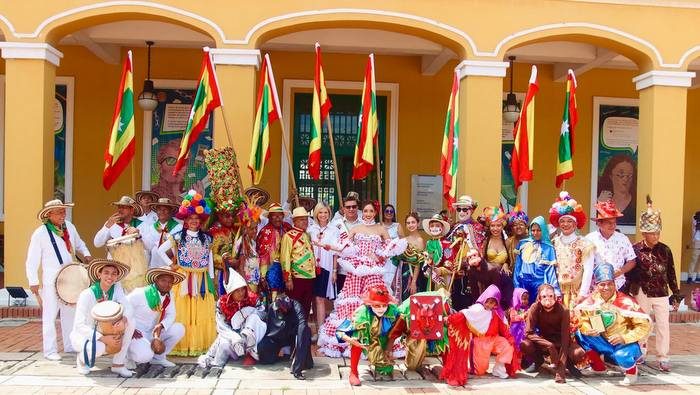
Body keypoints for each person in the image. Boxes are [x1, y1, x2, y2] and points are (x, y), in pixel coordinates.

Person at [318, 200, 406, 357]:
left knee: (377, 303)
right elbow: (343, 247)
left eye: (371, 211)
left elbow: (389, 251)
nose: (368, 214)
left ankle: (376, 340)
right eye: (365, 211)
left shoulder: (381, 229)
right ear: (362, 212)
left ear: (375, 213)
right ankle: (350, 342)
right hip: (357, 272)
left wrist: (377, 255)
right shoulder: (355, 228)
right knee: (352, 306)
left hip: (373, 271)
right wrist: (328, 246)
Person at [26, 199, 93, 360]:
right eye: (59, 212)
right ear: (49, 215)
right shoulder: (40, 233)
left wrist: (87, 254)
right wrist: (33, 280)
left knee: (69, 313)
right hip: (51, 279)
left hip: (70, 277)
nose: (63, 215)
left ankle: (69, 345)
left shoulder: (69, 227)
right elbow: (32, 259)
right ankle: (50, 350)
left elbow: (79, 244)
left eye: (64, 211)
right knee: (50, 315)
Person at [625, 197, 681, 372]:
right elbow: (629, 272)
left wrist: (676, 294)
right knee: (643, 323)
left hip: (661, 292)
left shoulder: (665, 250)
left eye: (658, 232)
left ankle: (663, 357)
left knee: (663, 325)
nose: (656, 236)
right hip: (642, 292)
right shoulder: (635, 249)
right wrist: (628, 293)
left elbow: (671, 272)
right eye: (652, 233)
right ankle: (640, 352)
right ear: (644, 233)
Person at [157, 190, 216, 356]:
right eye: (191, 219)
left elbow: (209, 259)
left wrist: (211, 279)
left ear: (200, 220)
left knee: (200, 313)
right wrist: (171, 265)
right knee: (182, 312)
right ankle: (180, 345)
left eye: (197, 219)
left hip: (202, 280)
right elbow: (160, 250)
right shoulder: (176, 236)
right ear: (186, 219)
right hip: (183, 279)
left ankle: (199, 345)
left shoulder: (208, 238)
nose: (194, 222)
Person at [574, 264, 651, 385]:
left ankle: (631, 372)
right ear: (597, 285)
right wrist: (588, 330)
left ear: (615, 284)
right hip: (603, 342)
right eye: (602, 284)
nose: (606, 287)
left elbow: (644, 326)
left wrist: (624, 337)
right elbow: (584, 320)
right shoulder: (592, 300)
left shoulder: (627, 301)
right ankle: (598, 367)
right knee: (580, 334)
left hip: (624, 344)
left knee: (622, 355)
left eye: (609, 284)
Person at [70, 259, 136, 377]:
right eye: (106, 272)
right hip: (85, 335)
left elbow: (128, 307)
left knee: (131, 322)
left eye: (114, 273)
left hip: (106, 330)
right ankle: (82, 359)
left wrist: (124, 319)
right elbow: (79, 325)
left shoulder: (116, 289)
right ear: (99, 274)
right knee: (99, 347)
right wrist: (103, 338)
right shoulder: (87, 294)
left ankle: (118, 364)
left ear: (117, 277)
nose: (110, 276)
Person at [441, 284, 514, 386]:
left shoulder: (498, 313)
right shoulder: (477, 309)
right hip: (480, 341)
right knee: (479, 371)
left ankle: (499, 369)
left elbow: (503, 327)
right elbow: (464, 315)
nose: (489, 304)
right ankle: (474, 367)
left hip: (494, 339)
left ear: (496, 303)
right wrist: (449, 319)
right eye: (487, 301)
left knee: (506, 345)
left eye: (492, 302)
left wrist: (509, 338)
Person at [198, 269, 266, 367]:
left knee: (253, 318)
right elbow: (221, 326)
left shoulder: (252, 299)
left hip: (252, 335)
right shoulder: (222, 303)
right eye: (237, 290)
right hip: (232, 337)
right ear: (231, 292)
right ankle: (215, 363)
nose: (241, 293)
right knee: (223, 344)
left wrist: (248, 311)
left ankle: (251, 354)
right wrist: (234, 337)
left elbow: (263, 315)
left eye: (243, 289)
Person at [336, 284, 401, 386]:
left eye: (384, 305)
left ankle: (380, 361)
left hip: (382, 338)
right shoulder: (361, 313)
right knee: (358, 337)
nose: (381, 309)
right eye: (377, 305)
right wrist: (351, 340)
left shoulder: (393, 311)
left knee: (386, 368)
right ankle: (353, 372)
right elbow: (339, 332)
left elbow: (397, 329)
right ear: (370, 304)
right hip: (365, 340)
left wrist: (389, 348)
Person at [521, 284, 586, 383]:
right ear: (539, 297)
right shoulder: (535, 308)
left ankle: (568, 364)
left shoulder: (564, 310)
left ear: (555, 297)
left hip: (561, 342)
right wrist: (549, 345)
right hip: (544, 342)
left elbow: (565, 339)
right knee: (525, 345)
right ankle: (538, 361)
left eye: (551, 296)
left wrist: (560, 371)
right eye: (544, 296)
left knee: (578, 353)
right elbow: (528, 333)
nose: (548, 300)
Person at [126, 266, 186, 367]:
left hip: (153, 332)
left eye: (170, 282)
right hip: (136, 333)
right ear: (156, 280)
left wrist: (161, 326)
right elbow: (123, 308)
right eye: (163, 280)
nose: (167, 284)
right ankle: (127, 357)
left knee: (179, 329)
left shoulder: (169, 296)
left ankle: (158, 358)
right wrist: (130, 329)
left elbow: (171, 314)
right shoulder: (140, 293)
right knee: (145, 357)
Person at [549, 192, 595, 310]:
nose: (566, 224)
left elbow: (588, 271)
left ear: (575, 224)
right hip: (557, 293)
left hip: (577, 293)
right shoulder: (553, 243)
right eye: (562, 221)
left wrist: (582, 294)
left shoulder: (585, 244)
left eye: (569, 221)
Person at [389, 288, 451, 371]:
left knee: (449, 334)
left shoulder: (444, 308)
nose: (427, 323)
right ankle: (416, 356)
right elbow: (394, 333)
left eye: (429, 318)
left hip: (438, 321)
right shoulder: (404, 316)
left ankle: (445, 362)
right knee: (413, 365)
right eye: (424, 318)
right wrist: (388, 350)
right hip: (414, 329)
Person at [257, 293, 314, 380]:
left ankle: (298, 362)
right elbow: (269, 330)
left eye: (283, 309)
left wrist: (298, 368)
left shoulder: (297, 308)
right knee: (263, 350)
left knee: (305, 332)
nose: (280, 310)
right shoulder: (273, 307)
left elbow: (302, 329)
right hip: (277, 334)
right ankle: (278, 356)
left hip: (291, 336)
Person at [586, 200, 636, 290]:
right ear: (599, 223)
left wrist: (621, 271)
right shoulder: (590, 239)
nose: (612, 225)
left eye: (614, 222)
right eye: (609, 223)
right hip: (596, 286)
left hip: (618, 284)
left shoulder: (623, 239)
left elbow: (632, 261)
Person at [446, 195, 485, 310]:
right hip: (453, 272)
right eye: (459, 209)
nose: (461, 212)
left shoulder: (478, 228)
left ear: (471, 210)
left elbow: (480, 250)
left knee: (469, 304)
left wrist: (465, 263)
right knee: (454, 302)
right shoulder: (454, 227)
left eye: (465, 209)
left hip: (470, 273)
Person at [307, 201, 340, 337]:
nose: (323, 215)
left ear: (329, 214)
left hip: (326, 267)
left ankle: (321, 331)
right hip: (310, 267)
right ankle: (315, 326)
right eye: (320, 212)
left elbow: (335, 253)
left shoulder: (334, 230)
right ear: (316, 213)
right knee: (313, 298)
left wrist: (334, 271)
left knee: (321, 299)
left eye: (325, 212)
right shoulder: (310, 230)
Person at [513, 216, 561, 304]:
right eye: (533, 230)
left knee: (537, 311)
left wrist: (555, 290)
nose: (535, 233)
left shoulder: (548, 247)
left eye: (539, 230)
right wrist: (517, 286)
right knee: (522, 312)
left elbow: (550, 272)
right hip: (523, 284)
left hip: (539, 285)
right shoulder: (523, 244)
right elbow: (517, 267)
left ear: (543, 230)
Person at [280, 207, 317, 319]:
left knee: (305, 308)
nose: (304, 222)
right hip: (296, 278)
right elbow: (285, 258)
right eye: (301, 219)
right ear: (294, 221)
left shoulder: (307, 235)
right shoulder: (288, 236)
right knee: (294, 308)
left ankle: (302, 333)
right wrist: (288, 279)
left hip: (310, 277)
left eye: (306, 219)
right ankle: (292, 334)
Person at [256, 203, 293, 303]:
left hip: (289, 266)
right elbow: (263, 255)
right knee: (274, 294)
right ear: (269, 217)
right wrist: (262, 276)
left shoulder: (287, 228)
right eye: (274, 215)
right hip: (272, 267)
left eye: (280, 215)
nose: (277, 218)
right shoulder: (265, 232)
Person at [330, 191, 362, 293]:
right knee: (342, 301)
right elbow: (334, 249)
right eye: (348, 207)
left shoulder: (364, 224)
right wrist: (334, 271)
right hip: (342, 269)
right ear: (343, 209)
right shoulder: (336, 224)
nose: (351, 209)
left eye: (354, 206)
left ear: (357, 208)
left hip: (360, 269)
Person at [482, 207, 513, 308]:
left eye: (498, 225)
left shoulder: (507, 242)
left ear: (502, 226)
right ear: (489, 226)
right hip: (489, 279)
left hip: (504, 280)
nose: (495, 228)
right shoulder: (486, 241)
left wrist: (505, 264)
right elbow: (481, 260)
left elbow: (509, 259)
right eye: (493, 226)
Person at [597, 154, 636, 226]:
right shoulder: (603, 198)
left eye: (629, 175)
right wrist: (600, 204)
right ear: (611, 176)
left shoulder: (636, 203)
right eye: (621, 175)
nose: (625, 179)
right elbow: (598, 222)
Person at [395, 212, 426, 301]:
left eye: (413, 222)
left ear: (418, 223)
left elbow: (418, 263)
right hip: (403, 272)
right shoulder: (404, 240)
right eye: (408, 223)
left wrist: (413, 282)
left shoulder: (420, 240)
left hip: (413, 274)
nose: (410, 225)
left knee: (412, 300)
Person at [143, 197, 182, 268]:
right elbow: (148, 247)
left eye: (165, 209)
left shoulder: (178, 227)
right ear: (156, 211)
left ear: (171, 211)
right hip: (155, 263)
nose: (162, 212)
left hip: (171, 264)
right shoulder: (152, 227)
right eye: (159, 209)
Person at [210, 208, 238, 297]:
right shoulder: (214, 233)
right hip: (220, 273)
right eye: (227, 216)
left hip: (234, 271)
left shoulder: (234, 231)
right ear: (219, 216)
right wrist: (226, 261)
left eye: (232, 216)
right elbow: (211, 255)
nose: (231, 219)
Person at [508, 288, 529, 375]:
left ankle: (519, 365)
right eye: (523, 299)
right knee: (515, 349)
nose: (525, 301)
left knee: (521, 349)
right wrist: (523, 315)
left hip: (523, 333)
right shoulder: (514, 309)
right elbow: (513, 318)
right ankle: (513, 365)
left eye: (527, 299)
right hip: (515, 332)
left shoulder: (527, 308)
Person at [688, 210, 700, 284]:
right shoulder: (695, 216)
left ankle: (698, 277)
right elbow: (694, 227)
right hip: (697, 240)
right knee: (694, 259)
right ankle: (690, 277)